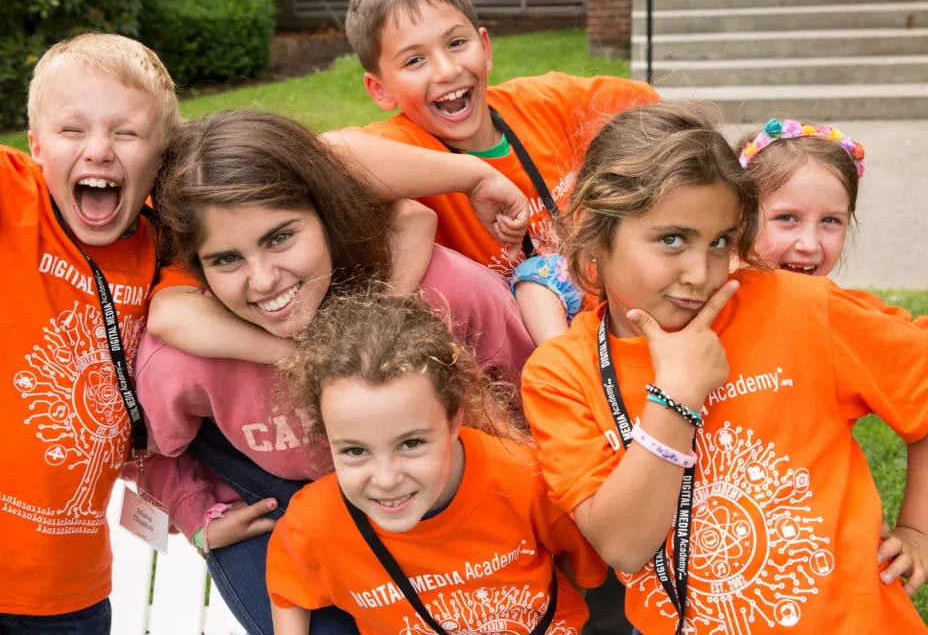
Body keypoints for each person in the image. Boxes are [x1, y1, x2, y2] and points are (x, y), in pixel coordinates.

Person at [520, 101, 928, 634]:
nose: (700, 273)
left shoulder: (800, 308)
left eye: (719, 242)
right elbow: (623, 544)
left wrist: (917, 528)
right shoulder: (561, 373)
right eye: (672, 239)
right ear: (595, 233)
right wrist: (677, 398)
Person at [135, 109, 537, 635]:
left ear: (327, 216)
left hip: (445, 507)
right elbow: (140, 449)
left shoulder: (449, 291)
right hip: (284, 519)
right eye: (227, 259)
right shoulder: (183, 359)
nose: (263, 280)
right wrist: (195, 516)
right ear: (196, 267)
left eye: (281, 238)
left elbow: (533, 406)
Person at [0, 0, 180, 630]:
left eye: (126, 132)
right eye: (72, 129)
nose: (98, 150)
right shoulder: (15, 205)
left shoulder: (169, 247)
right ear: (38, 144)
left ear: (160, 158)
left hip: (69, 589)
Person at [341, 0, 660, 344]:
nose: (445, 70)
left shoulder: (543, 103)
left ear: (485, 47)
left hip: (618, 327)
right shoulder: (405, 144)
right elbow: (326, 155)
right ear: (380, 89)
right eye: (414, 60)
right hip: (512, 361)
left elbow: (652, 111)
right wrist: (475, 178)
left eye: (457, 43)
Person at [267, 290, 607, 634]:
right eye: (355, 451)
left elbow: (579, 562)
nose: (385, 479)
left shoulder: (523, 476)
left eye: (411, 443)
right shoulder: (315, 520)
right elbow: (288, 588)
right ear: (328, 438)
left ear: (453, 420)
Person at [739, 117, 926, 327]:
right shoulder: (706, 313)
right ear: (740, 218)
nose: (810, 245)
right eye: (787, 218)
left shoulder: (851, 319)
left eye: (830, 220)